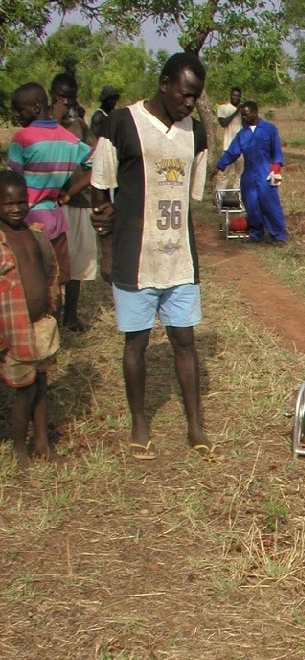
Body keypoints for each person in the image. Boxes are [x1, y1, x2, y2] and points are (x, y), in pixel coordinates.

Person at [89, 52, 218, 461]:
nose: (190, 104)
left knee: (185, 340)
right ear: (164, 84)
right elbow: (100, 186)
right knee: (136, 343)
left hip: (179, 258)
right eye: (184, 95)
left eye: (195, 97)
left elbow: (191, 196)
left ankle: (195, 425)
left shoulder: (195, 134)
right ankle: (139, 424)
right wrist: (107, 246)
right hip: (135, 257)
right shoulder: (122, 124)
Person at [7, 82, 94, 307]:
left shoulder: (22, 138)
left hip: (23, 222)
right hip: (55, 220)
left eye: (19, 109)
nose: (16, 114)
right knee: (55, 281)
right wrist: (70, 191)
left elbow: (10, 183)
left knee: (29, 282)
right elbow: (98, 162)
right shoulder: (68, 139)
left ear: (36, 107)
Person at [0, 171, 61, 469]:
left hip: (39, 327)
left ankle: (41, 443)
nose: (16, 208)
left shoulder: (37, 236)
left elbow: (50, 273)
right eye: (8, 203)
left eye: (21, 201)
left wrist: (53, 307)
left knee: (40, 383)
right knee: (24, 390)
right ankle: (18, 448)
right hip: (12, 331)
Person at [49, 73, 98, 332]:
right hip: (49, 206)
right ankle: (52, 318)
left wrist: (71, 190)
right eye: (60, 97)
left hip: (78, 203)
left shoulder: (79, 128)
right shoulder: (41, 126)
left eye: (69, 98)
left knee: (78, 263)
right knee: (53, 264)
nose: (65, 102)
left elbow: (93, 161)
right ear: (52, 95)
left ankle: (70, 316)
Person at [210, 100, 288, 245]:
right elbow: (232, 152)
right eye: (242, 116)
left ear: (254, 112)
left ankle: (278, 236)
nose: (244, 118)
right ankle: (256, 234)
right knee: (251, 205)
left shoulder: (269, 129)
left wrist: (276, 168)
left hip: (266, 174)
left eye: (246, 115)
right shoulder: (242, 134)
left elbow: (277, 151)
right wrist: (219, 166)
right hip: (249, 175)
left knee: (270, 204)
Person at [215, 87, 243, 190]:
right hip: (228, 147)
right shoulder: (223, 108)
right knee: (222, 174)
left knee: (239, 175)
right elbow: (223, 123)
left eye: (238, 96)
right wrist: (236, 112)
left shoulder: (243, 110)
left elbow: (246, 125)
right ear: (230, 95)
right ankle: (219, 200)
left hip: (241, 148)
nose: (235, 97)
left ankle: (238, 199)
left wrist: (242, 111)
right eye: (234, 95)